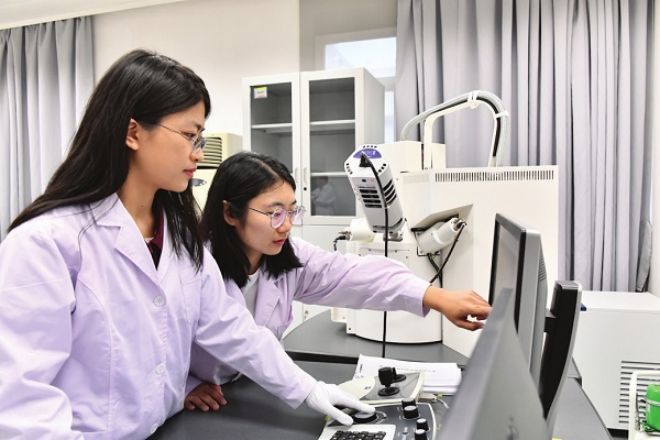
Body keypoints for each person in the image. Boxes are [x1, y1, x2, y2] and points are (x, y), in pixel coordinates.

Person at [0, 50, 372, 438]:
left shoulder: (179, 240)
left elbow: (231, 328)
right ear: (133, 133)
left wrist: (309, 390)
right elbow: (22, 409)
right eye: (189, 135)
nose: (199, 152)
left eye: (201, 137)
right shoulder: (45, 244)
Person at [183, 151, 491, 411]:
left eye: (292, 211)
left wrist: (434, 296)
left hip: (246, 389)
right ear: (230, 213)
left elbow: (352, 274)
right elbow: (184, 342)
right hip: (200, 403)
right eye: (274, 213)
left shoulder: (285, 257)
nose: (286, 225)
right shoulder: (193, 267)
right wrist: (185, 386)